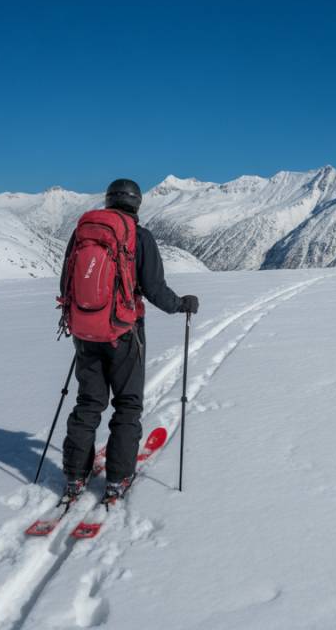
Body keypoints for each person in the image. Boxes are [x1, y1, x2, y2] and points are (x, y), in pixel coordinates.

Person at [58, 178, 198, 503]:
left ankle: (74, 476)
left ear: (108, 201)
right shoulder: (140, 237)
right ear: (136, 204)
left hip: (84, 330)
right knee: (127, 404)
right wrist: (181, 305)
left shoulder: (83, 233)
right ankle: (117, 479)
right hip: (124, 332)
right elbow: (154, 288)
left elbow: (67, 281)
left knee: (88, 403)